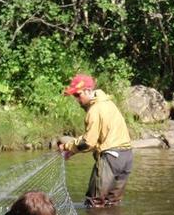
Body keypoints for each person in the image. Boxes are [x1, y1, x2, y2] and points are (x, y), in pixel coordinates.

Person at [57, 74, 133, 207]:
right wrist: (73, 151)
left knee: (94, 203)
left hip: (111, 158)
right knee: (112, 203)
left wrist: (67, 147)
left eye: (77, 95)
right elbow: (99, 137)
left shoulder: (95, 110)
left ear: (87, 90)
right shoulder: (108, 103)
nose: (77, 100)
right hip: (126, 156)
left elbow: (88, 142)